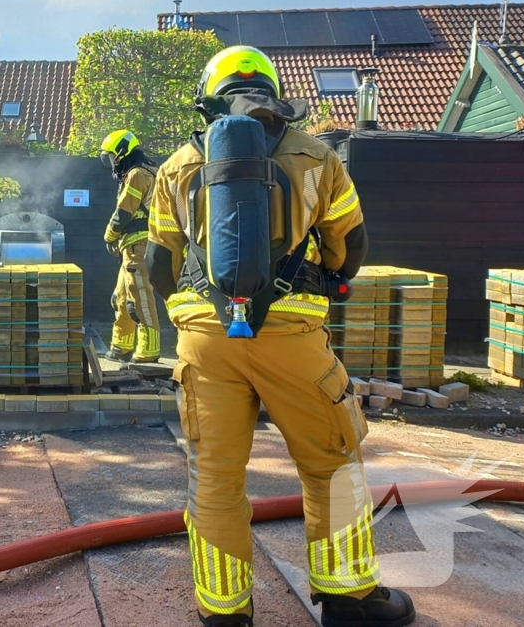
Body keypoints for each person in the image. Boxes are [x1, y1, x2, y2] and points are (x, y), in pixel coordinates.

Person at [146, 46, 415, 627]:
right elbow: (352, 245)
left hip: (204, 338)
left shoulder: (175, 166)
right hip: (292, 333)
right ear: (272, 90)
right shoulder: (317, 155)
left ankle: (223, 611)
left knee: (216, 475)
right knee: (332, 462)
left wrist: (191, 314)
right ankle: (350, 600)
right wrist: (333, 279)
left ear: (208, 95)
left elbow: (154, 263)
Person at [100, 129, 162, 364]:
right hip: (131, 245)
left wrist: (109, 236)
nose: (111, 163)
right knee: (121, 296)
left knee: (140, 296)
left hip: (139, 244)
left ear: (122, 152)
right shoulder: (148, 171)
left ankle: (149, 350)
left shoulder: (137, 174)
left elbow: (124, 212)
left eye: (111, 156)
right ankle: (121, 346)